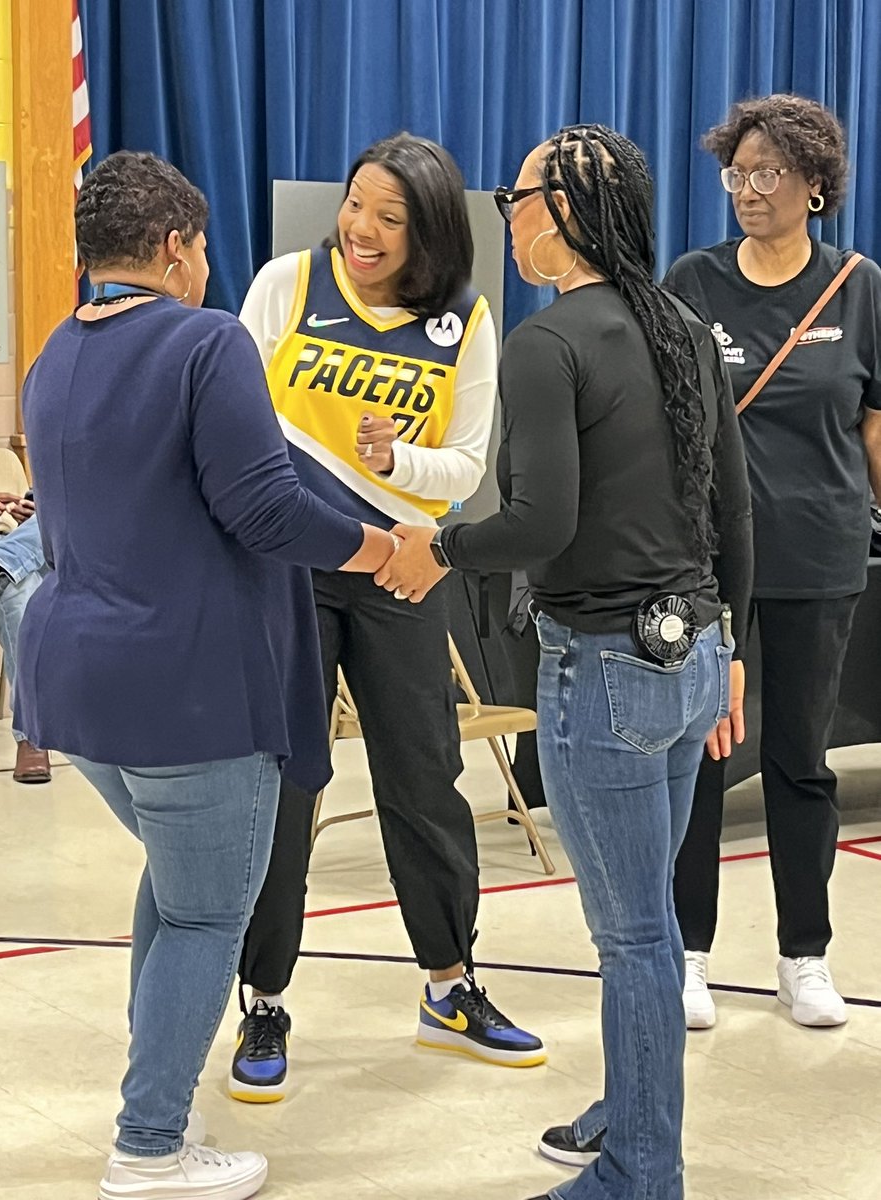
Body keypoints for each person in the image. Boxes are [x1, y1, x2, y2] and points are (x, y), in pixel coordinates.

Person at [13, 151, 400, 1200]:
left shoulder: (53, 354)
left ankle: (157, 1096)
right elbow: (264, 506)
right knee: (200, 915)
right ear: (181, 247)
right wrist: (382, 547)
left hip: (77, 691)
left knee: (176, 891)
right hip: (188, 693)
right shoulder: (206, 339)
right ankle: (149, 1145)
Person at [379, 124, 753, 1200]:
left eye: (518, 192)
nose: (507, 211)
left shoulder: (549, 344)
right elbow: (735, 508)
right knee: (646, 928)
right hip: (687, 657)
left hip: (606, 670)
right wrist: (733, 649)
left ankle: (642, 1170)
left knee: (632, 936)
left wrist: (437, 544)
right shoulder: (685, 324)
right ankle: (631, 1110)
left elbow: (540, 524)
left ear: (567, 209)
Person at [231, 131, 544, 1103]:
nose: (361, 229)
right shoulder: (287, 285)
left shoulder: (465, 319)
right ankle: (263, 998)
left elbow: (465, 465)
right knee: (285, 786)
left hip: (404, 568)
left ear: (430, 233)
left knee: (426, 778)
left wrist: (392, 461)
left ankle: (449, 986)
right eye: (356, 205)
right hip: (290, 567)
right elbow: (234, 423)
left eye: (389, 217)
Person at [664, 94, 881, 1031]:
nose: (748, 191)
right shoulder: (693, 281)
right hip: (706, 562)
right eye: (736, 173)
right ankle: (688, 953)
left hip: (819, 554)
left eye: (768, 175)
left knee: (800, 759)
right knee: (697, 758)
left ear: (815, 187)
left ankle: (805, 955)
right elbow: (666, 419)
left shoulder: (860, 286)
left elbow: (875, 422)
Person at [0, 385, 50, 782]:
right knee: (21, 588)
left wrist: (27, 513)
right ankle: (33, 739)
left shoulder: (6, 459)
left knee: (50, 512)